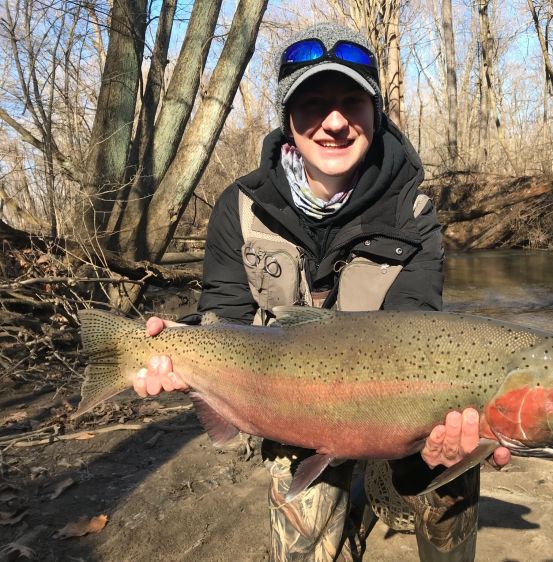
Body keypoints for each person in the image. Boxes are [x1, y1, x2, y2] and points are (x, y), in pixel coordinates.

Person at [133, 22, 510, 562]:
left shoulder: (416, 218)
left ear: (375, 112)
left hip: (394, 413)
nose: (334, 122)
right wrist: (176, 352)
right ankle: (350, 495)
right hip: (290, 409)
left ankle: (389, 488)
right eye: (313, 103)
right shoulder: (238, 209)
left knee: (454, 470)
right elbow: (223, 324)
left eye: (352, 102)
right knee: (302, 545)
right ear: (288, 118)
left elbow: (418, 333)